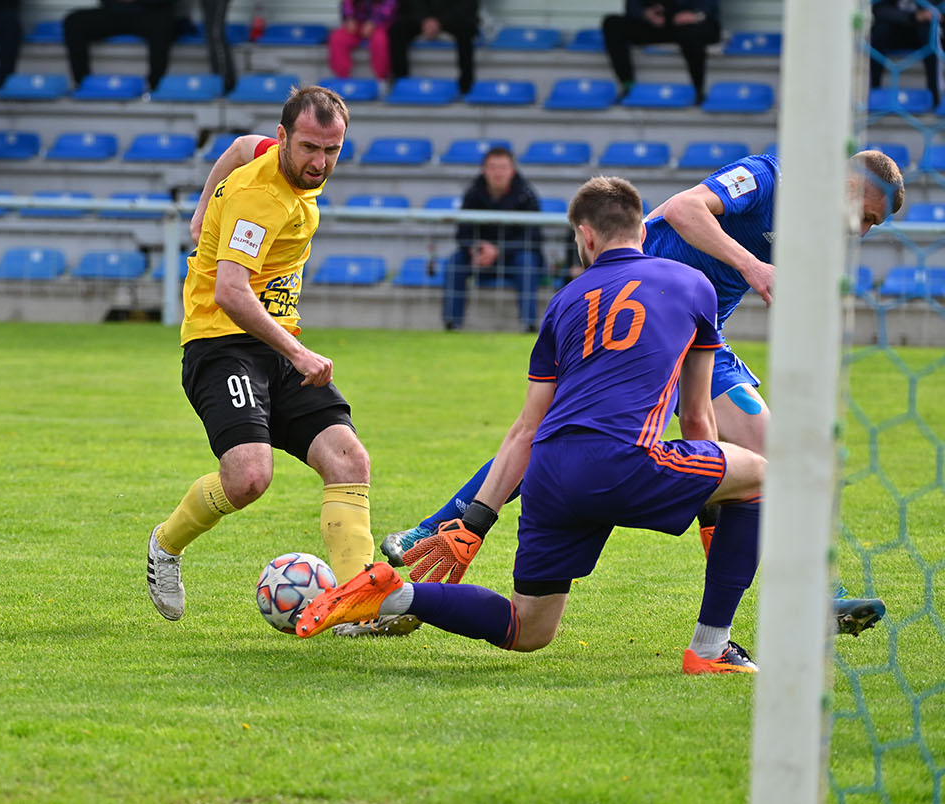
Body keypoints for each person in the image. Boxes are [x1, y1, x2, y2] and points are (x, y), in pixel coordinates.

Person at [381, 150, 904, 638]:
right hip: (626, 320)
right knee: (549, 432)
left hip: (698, 340)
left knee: (774, 448)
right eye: (866, 215)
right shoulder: (770, 177)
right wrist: (752, 266)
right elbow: (683, 208)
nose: (859, 230)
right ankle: (431, 531)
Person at [299, 176, 772, 675]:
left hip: (550, 472)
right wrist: (711, 507)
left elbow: (526, 428)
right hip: (626, 462)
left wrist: (475, 522)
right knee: (760, 474)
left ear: (586, 236)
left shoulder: (564, 303)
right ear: (638, 226)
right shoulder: (693, 285)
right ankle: (710, 648)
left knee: (528, 629)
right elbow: (697, 416)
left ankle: (397, 595)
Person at [148, 86, 417, 638]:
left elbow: (241, 145)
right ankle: (165, 544)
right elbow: (230, 291)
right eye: (311, 148)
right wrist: (297, 351)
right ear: (287, 137)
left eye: (333, 150)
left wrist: (201, 210)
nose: (320, 162)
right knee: (248, 479)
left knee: (349, 460)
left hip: (275, 342)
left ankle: (355, 607)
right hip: (221, 344)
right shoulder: (259, 199)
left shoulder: (268, 153)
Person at [442, 147, 543, 332]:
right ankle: (452, 323)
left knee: (527, 261)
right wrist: (474, 248)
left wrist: (499, 250)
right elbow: (463, 231)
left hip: (514, 256)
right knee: (455, 262)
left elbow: (533, 236)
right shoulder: (472, 194)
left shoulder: (526, 195)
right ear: (484, 170)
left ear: (512, 170)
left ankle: (529, 324)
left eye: (503, 167)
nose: (498, 173)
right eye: (493, 167)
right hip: (481, 256)